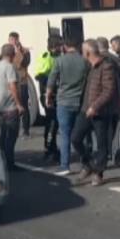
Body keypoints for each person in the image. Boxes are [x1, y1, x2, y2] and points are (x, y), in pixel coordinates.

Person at [71, 39, 120, 187]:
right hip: (85, 109)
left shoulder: (106, 66)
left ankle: (98, 173)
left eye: (82, 51)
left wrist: (95, 106)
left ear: (88, 52)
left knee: (102, 144)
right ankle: (88, 164)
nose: (81, 54)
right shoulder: (90, 67)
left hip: (100, 112)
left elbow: (108, 91)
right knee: (75, 138)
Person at [46, 35, 89, 176]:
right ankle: (86, 163)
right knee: (82, 134)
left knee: (65, 134)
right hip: (81, 101)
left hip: (64, 102)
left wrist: (48, 97)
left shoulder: (59, 61)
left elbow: (51, 81)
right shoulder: (85, 61)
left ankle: (65, 165)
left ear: (65, 46)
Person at [0, 44, 25, 170]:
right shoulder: (9, 68)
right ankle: (10, 163)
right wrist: (19, 104)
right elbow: (12, 87)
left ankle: (1, 160)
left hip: (0, 107)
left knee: (3, 135)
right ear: (12, 55)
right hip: (10, 107)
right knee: (11, 136)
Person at [34, 36, 62, 161]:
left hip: (53, 94)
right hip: (48, 95)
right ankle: (50, 149)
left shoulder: (57, 57)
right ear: (53, 47)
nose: (61, 48)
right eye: (59, 45)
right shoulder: (47, 57)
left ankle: (51, 148)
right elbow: (40, 76)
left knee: (53, 123)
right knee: (51, 123)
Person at [8, 31, 34, 138]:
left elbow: (24, 63)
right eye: (10, 40)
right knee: (12, 107)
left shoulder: (25, 51)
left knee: (23, 106)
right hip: (11, 82)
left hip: (22, 82)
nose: (12, 42)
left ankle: (26, 130)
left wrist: (18, 53)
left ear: (18, 40)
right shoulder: (7, 52)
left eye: (14, 40)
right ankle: (13, 129)